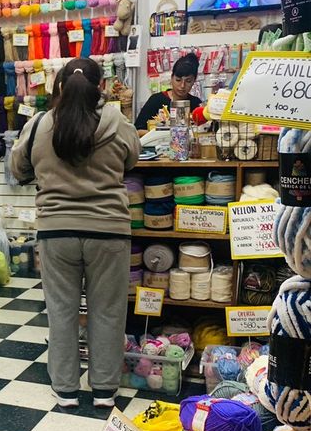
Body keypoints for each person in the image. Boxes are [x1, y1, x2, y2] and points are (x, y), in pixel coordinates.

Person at [10, 57, 141, 409]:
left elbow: (18, 166)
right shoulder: (118, 123)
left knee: (62, 312)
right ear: (101, 86)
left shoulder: (40, 125)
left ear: (60, 86)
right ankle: (104, 390)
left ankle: (65, 389)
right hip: (109, 231)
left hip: (56, 231)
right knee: (108, 312)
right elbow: (132, 159)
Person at [135, 52, 201, 130]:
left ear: (194, 81)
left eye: (188, 81)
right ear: (172, 78)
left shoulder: (196, 104)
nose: (182, 85)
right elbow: (137, 131)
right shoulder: (156, 100)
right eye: (178, 80)